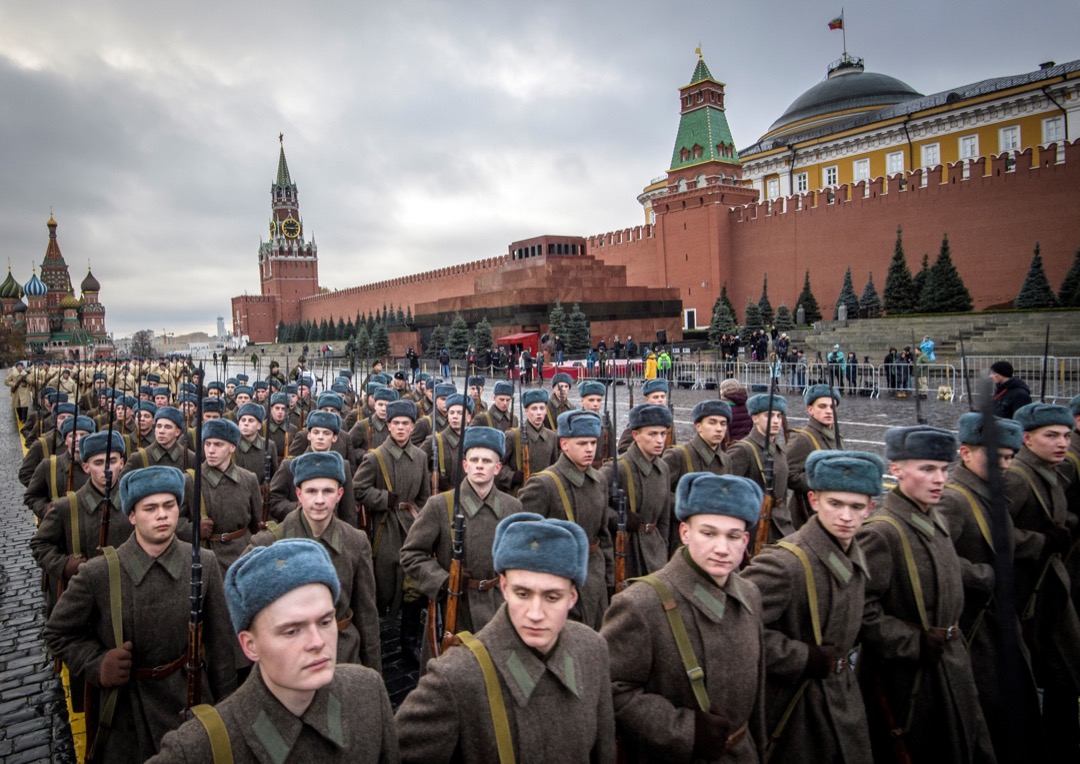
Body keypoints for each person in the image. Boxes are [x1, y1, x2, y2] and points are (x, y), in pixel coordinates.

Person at [43, 466, 237, 763]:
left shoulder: (204, 563)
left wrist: (226, 711)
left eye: (169, 505)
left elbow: (221, 645)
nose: (162, 515)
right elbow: (58, 632)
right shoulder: (100, 573)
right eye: (150, 508)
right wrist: (97, 663)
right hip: (126, 712)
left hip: (188, 696)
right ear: (131, 515)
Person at [149, 539, 398, 763]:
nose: (317, 641)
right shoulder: (198, 748)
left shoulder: (368, 692)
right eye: (291, 631)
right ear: (250, 645)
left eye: (325, 622)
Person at [395, 513, 616, 763]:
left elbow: (604, 751)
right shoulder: (457, 677)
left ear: (573, 597)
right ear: (504, 588)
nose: (535, 614)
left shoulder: (592, 649)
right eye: (522, 594)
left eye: (552, 597)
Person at [601, 474, 766, 762]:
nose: (721, 548)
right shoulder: (641, 604)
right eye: (708, 533)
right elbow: (612, 691)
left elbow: (757, 697)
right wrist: (684, 730)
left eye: (733, 536)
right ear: (685, 532)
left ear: (746, 540)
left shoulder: (750, 595)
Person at [857, 425, 995, 763]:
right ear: (896, 470)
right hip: (909, 676)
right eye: (927, 469)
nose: (939, 479)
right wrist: (909, 641)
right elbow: (861, 608)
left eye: (944, 470)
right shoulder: (883, 532)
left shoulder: (934, 517)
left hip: (950, 660)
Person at [743, 451, 882, 763]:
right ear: (814, 500)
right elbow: (737, 627)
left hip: (843, 695)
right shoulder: (785, 564)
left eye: (856, 506)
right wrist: (800, 656)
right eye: (835, 504)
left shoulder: (854, 555)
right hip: (797, 709)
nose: (846, 516)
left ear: (870, 509)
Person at [938, 413, 1044, 762]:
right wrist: (983, 576)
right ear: (965, 453)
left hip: (1000, 617)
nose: (1004, 465)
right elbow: (938, 557)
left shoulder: (989, 492)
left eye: (1009, 458)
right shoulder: (954, 499)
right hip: (974, 622)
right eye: (995, 456)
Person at [248, 450, 381, 673]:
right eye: (311, 491)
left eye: (327, 491)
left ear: (339, 494)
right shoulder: (270, 542)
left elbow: (367, 613)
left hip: (342, 653)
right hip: (289, 659)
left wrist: (373, 671)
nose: (319, 500)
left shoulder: (355, 542)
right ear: (298, 494)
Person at [401, 426, 524, 665]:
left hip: (499, 605)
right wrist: (442, 579)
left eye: (487, 461)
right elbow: (411, 555)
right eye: (474, 460)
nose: (479, 465)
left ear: (498, 468)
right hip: (456, 606)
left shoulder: (512, 508)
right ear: (465, 465)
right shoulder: (441, 505)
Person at [1004, 402, 1080, 759]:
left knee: (1062, 672)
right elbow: (993, 533)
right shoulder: (1018, 477)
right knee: (1054, 673)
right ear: (1026, 438)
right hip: (1027, 593)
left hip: (1050, 587)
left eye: (1065, 435)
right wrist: (1041, 541)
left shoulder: (1049, 471)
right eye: (1050, 435)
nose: (1061, 442)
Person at [518, 411, 612, 629]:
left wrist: (609, 577)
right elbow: (525, 540)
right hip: (558, 581)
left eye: (592, 442)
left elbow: (603, 534)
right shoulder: (543, 485)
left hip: (594, 578)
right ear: (564, 444)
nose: (590, 449)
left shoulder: (599, 480)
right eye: (582, 443)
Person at [353, 400, 432, 645]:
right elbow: (358, 489)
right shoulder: (375, 457)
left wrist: (418, 516)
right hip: (384, 526)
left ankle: (408, 640)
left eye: (405, 424)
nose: (400, 428)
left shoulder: (419, 457)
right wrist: (384, 498)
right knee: (384, 579)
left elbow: (425, 496)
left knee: (413, 582)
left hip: (412, 526)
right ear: (388, 426)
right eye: (395, 423)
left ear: (412, 427)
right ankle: (376, 630)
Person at [601, 404, 672, 576]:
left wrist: (663, 544)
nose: (660, 440)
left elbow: (664, 517)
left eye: (663, 434)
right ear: (635, 435)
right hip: (628, 550)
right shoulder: (617, 469)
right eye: (652, 434)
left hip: (655, 549)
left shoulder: (663, 468)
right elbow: (597, 505)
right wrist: (619, 518)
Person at [728, 393, 793, 542]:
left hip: (783, 525)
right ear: (754, 418)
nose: (776, 421)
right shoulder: (743, 450)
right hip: (756, 529)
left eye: (779, 416)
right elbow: (730, 493)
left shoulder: (779, 450)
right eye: (769, 416)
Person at [786, 384, 843, 530]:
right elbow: (788, 475)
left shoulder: (836, 437)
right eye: (822, 406)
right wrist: (819, 478)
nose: (829, 411)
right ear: (810, 410)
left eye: (832, 406)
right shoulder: (803, 439)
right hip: (807, 515)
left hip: (832, 511)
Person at [498, 388, 559, 495]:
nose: (539, 413)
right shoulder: (513, 436)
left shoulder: (552, 437)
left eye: (542, 408)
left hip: (544, 493)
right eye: (534, 409)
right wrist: (512, 476)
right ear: (526, 411)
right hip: (519, 494)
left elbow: (555, 466)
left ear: (546, 410)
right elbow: (497, 465)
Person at [663, 399, 731, 491]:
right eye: (712, 423)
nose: (719, 429)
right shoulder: (678, 456)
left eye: (723, 424)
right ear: (698, 426)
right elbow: (659, 494)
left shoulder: (726, 461)